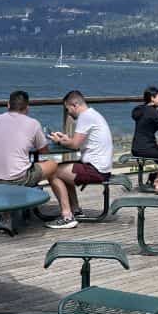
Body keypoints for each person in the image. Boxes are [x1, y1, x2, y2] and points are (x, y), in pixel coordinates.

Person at [47, 90, 113, 230]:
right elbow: (78, 142)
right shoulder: (93, 114)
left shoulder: (85, 117)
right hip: (101, 167)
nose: (69, 113)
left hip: (96, 169)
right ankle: (75, 210)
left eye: (68, 109)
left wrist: (59, 141)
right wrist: (66, 139)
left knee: (52, 171)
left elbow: (75, 145)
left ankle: (67, 217)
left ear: (75, 105)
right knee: (62, 169)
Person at [0, 90, 57, 188]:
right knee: (53, 165)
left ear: (8, 105)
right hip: (16, 179)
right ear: (27, 107)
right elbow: (44, 150)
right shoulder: (33, 123)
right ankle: (66, 203)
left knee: (23, 166)